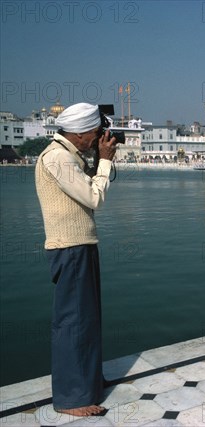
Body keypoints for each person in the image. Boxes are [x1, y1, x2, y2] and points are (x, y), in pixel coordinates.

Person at [35, 103, 117, 416]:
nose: (98, 138)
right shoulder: (57, 157)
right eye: (95, 133)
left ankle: (89, 381)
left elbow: (87, 193)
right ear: (80, 133)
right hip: (70, 248)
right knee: (74, 322)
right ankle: (72, 398)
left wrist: (99, 159)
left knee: (87, 319)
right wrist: (106, 163)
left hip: (80, 246)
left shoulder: (69, 155)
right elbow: (95, 197)